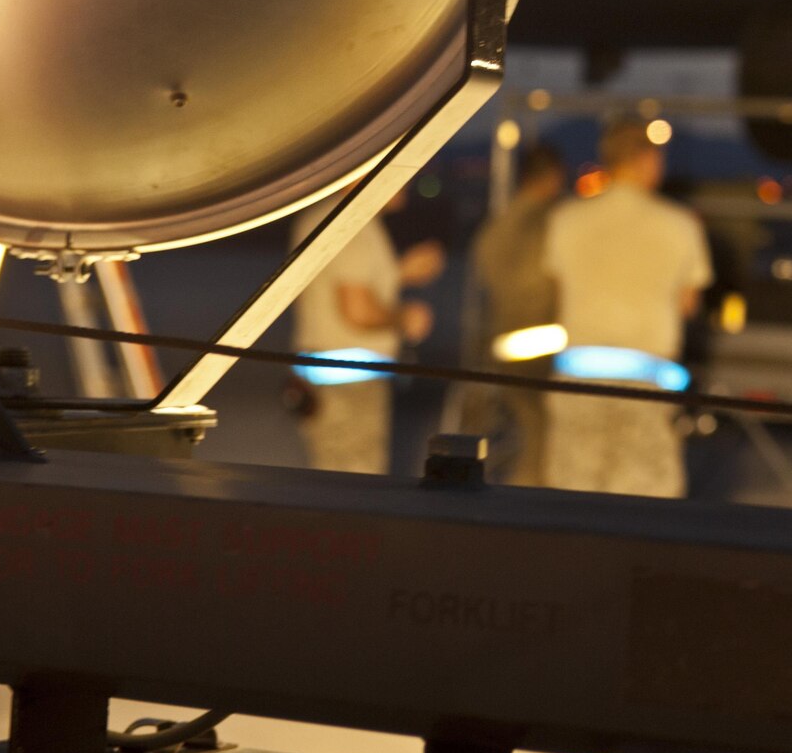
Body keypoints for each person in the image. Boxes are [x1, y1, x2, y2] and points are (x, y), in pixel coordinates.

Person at [543, 118, 712, 496]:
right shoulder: (681, 225)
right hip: (647, 381)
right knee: (642, 507)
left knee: (571, 498)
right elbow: (688, 304)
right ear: (647, 160)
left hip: (577, 376)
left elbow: (557, 287)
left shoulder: (564, 219)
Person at [290, 182, 446, 474]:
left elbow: (345, 288)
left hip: (325, 379)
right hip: (348, 385)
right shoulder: (351, 224)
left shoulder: (328, 217)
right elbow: (357, 310)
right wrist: (405, 318)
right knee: (356, 486)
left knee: (334, 481)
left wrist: (399, 273)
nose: (407, 179)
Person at [457, 141, 567, 485]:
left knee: (506, 433)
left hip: (500, 342)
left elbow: (484, 280)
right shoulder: (551, 224)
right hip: (543, 343)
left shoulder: (494, 229)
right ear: (551, 178)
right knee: (539, 436)